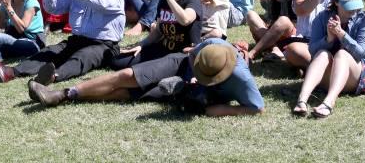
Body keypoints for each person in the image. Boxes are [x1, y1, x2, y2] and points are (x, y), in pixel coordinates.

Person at [28, 38, 264, 117]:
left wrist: (215, 109)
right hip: (181, 63)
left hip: (198, 91)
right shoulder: (215, 43)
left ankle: (67, 97)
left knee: (130, 94)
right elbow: (191, 55)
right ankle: (60, 93)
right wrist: (195, 72)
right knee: (128, 75)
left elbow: (257, 109)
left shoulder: (242, 80)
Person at [293, 0, 365, 118]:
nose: (353, 10)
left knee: (342, 54)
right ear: (336, 2)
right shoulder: (322, 18)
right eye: (348, 6)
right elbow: (312, 51)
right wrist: (328, 39)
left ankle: (329, 102)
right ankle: (302, 101)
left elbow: (361, 53)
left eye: (355, 5)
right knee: (322, 53)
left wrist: (341, 35)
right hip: (328, 76)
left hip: (358, 76)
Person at [110, 0, 202, 69]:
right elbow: (158, 31)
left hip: (182, 54)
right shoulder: (163, 1)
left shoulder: (193, 0)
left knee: (141, 70)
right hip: (162, 48)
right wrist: (141, 44)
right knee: (117, 61)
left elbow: (185, 20)